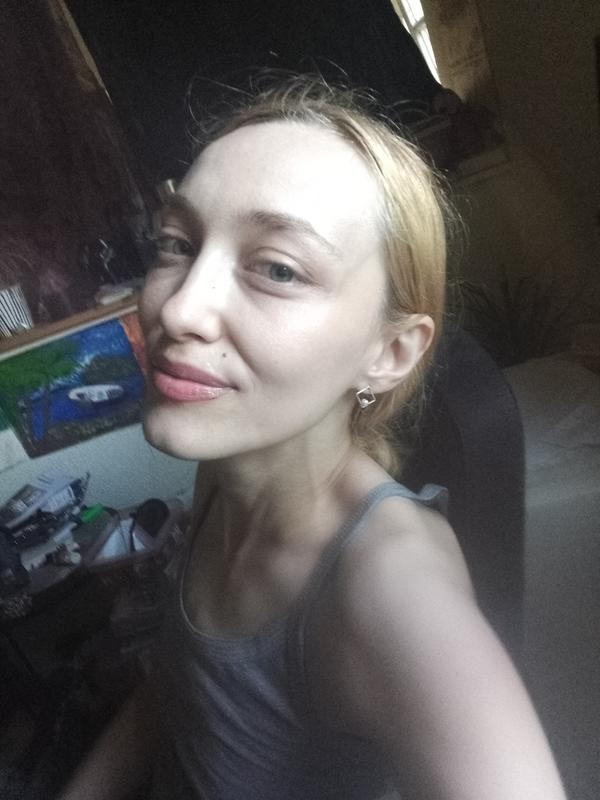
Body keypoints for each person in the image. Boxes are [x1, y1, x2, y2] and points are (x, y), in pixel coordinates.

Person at [57, 77, 566, 800]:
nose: (180, 309)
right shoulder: (227, 465)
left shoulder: (391, 594)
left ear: (389, 352)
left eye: (277, 268)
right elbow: (177, 686)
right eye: (177, 243)